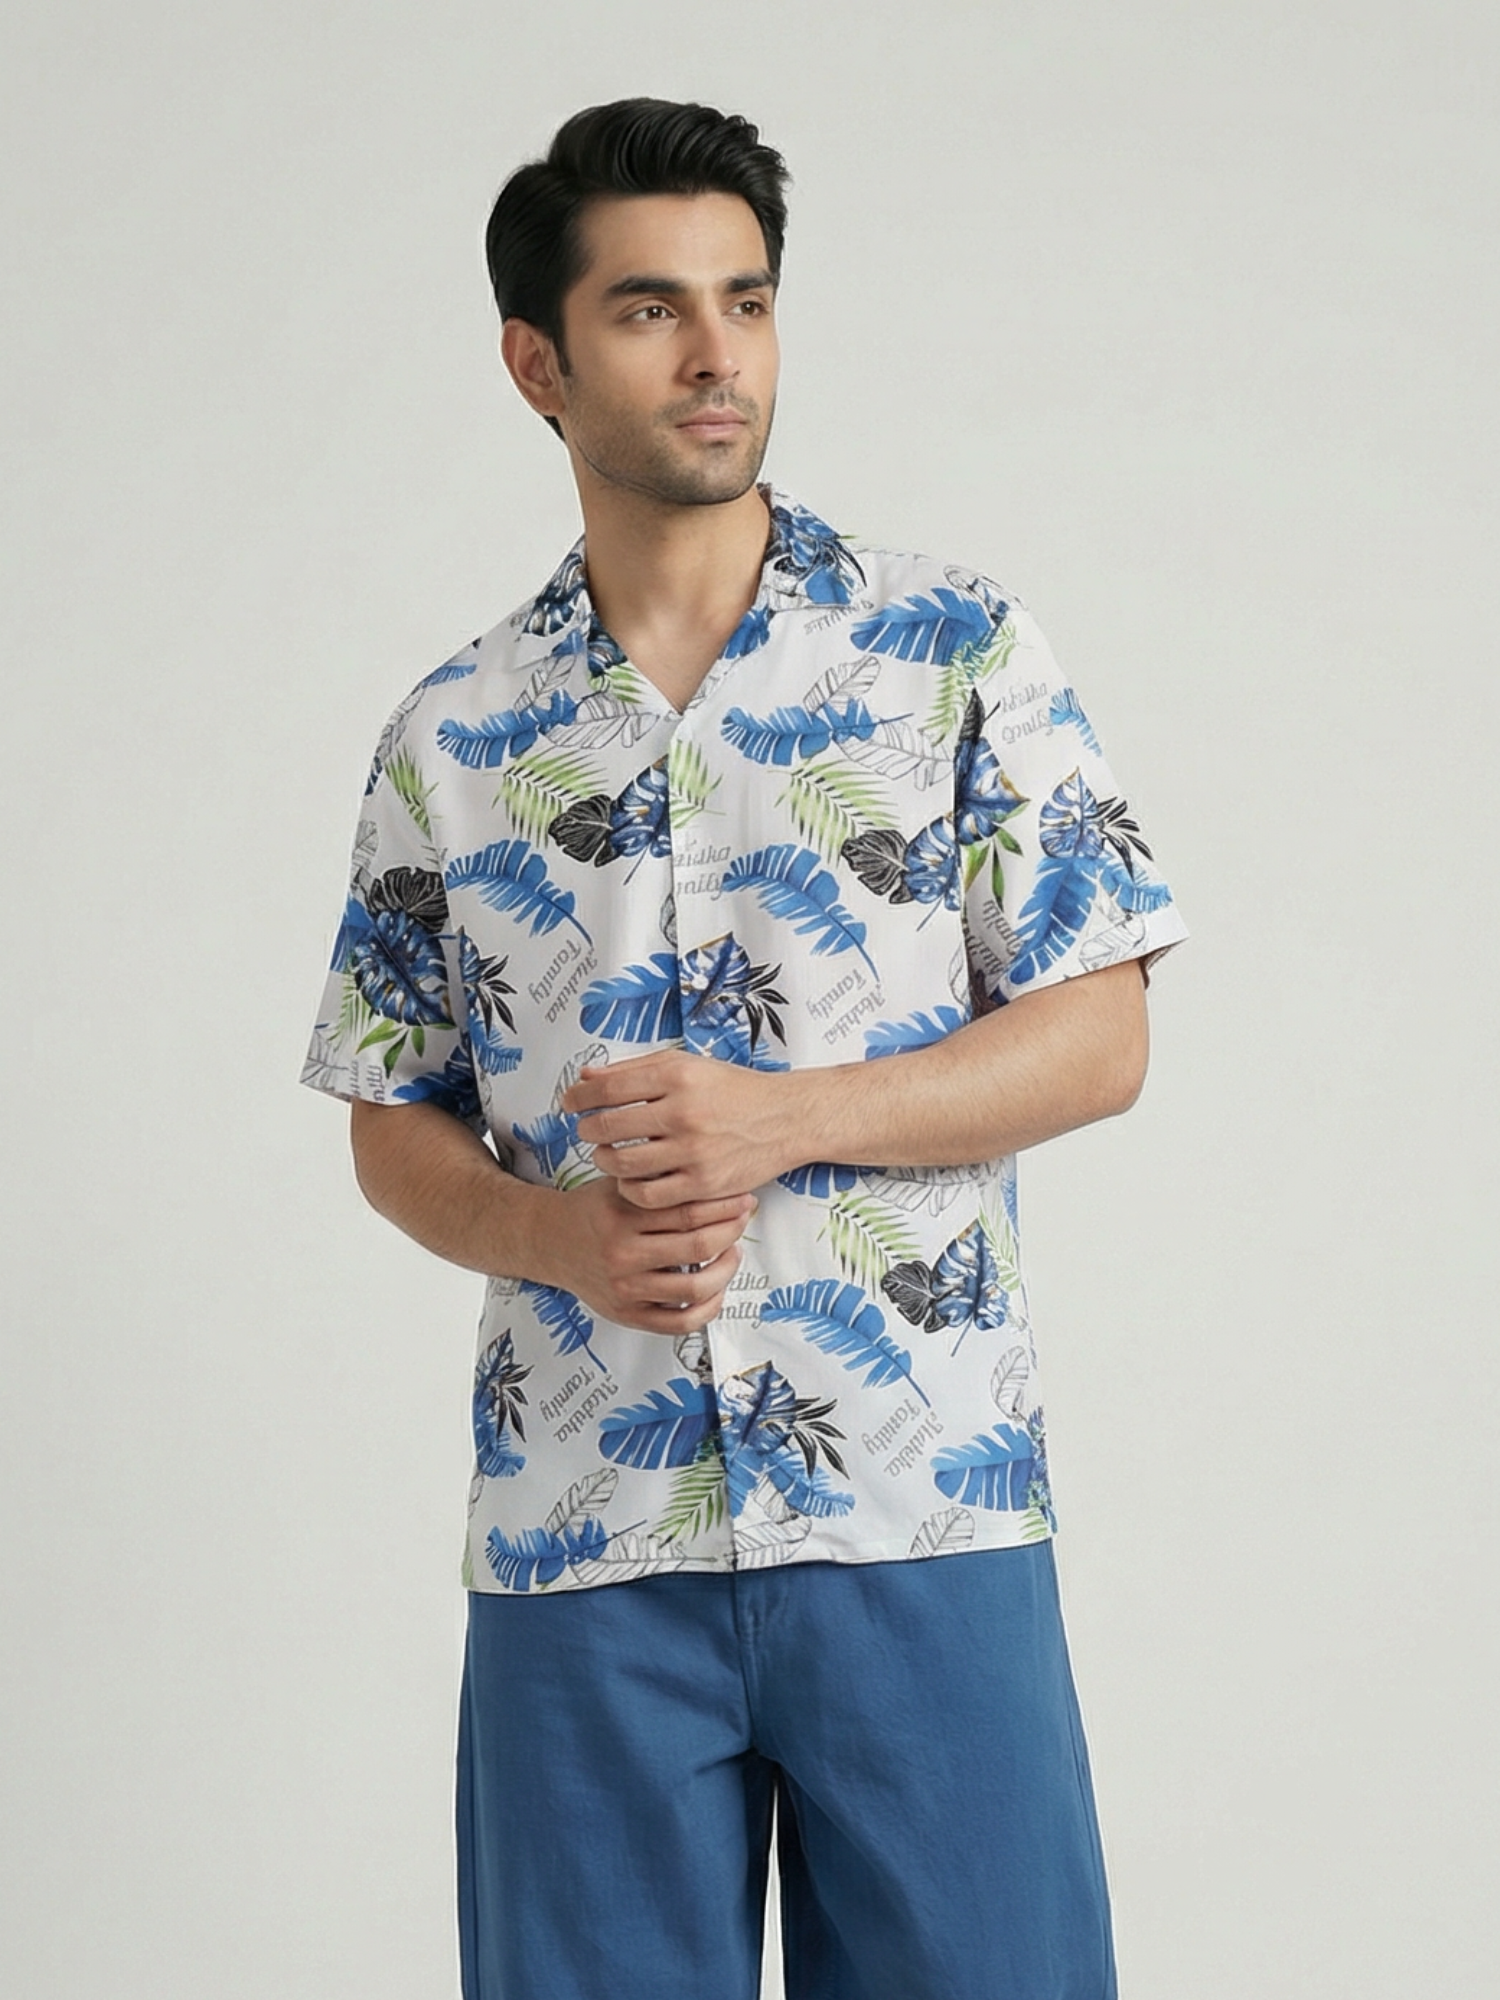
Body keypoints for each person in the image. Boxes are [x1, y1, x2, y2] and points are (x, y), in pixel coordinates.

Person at [302, 97, 1186, 2000]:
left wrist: (783, 1120)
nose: (718, 355)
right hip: (583, 1541)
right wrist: (559, 1237)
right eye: (650, 308)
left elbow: (1101, 1030)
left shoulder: (955, 651)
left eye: (749, 300)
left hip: (922, 1508)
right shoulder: (450, 735)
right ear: (537, 362)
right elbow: (391, 1115)